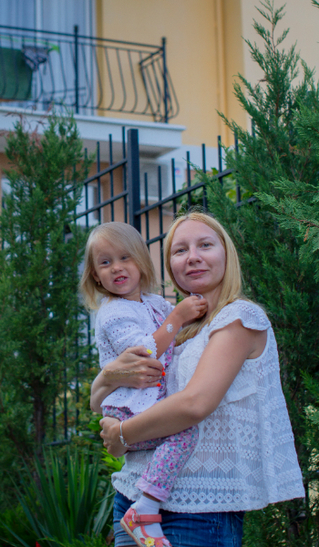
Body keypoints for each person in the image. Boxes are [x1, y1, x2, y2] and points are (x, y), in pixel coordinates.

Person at [92, 212, 305, 547]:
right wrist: (108, 376)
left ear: (226, 253)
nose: (192, 256)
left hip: (198, 508)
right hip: (130, 496)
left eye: (205, 245)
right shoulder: (177, 329)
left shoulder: (240, 318)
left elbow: (195, 403)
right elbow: (99, 398)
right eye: (180, 250)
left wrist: (122, 434)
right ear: (170, 264)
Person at [81, 222, 208, 547]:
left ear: (140, 261)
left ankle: (146, 506)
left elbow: (179, 334)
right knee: (184, 433)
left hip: (145, 405)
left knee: (176, 434)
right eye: (105, 262)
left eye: (125, 257)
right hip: (130, 408)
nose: (116, 267)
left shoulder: (153, 303)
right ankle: (146, 508)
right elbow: (144, 353)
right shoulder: (112, 313)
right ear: (96, 275)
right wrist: (177, 317)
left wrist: (190, 313)